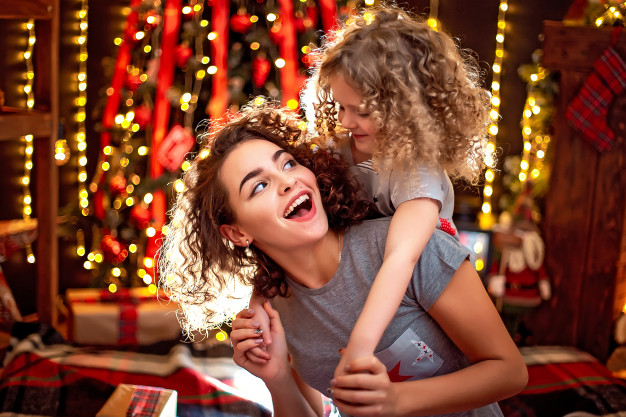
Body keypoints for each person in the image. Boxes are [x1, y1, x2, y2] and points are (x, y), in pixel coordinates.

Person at [159, 104, 527, 417]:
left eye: (287, 164)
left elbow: (510, 372)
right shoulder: (275, 310)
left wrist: (397, 399)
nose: (288, 182)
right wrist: (276, 377)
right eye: (259, 185)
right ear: (237, 233)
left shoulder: (407, 246)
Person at [293, 3, 494, 380]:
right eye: (340, 106)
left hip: (420, 306)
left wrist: (360, 347)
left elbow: (401, 258)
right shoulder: (339, 146)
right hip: (362, 294)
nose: (346, 122)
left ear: (409, 110)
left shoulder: (418, 175)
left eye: (362, 111)